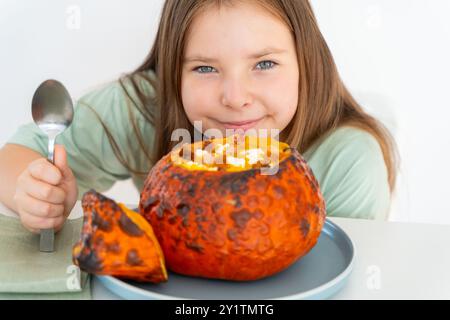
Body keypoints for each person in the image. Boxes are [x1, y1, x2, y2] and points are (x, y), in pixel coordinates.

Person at [0, 0, 398, 233]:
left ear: (306, 62)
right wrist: (37, 193)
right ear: (173, 71)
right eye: (205, 69)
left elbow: (344, 277)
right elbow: (14, 157)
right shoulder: (144, 108)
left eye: (264, 63)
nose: (236, 98)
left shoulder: (350, 158)